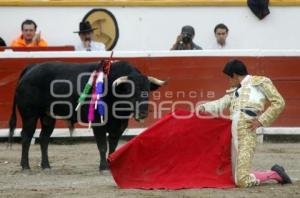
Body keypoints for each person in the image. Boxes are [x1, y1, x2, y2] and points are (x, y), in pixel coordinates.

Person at [197, 59, 292, 188]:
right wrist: (204, 107)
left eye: (229, 78)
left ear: (235, 75)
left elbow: (279, 102)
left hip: (247, 131)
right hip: (233, 132)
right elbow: (221, 103)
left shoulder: (261, 82)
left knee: (242, 180)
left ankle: (275, 174)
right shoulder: (234, 91)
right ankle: (266, 174)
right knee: (235, 178)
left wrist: (261, 120)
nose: (229, 81)